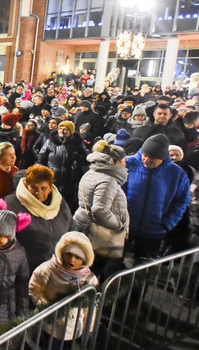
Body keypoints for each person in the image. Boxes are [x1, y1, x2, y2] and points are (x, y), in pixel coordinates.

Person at [124, 134, 190, 261]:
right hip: (124, 229)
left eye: (152, 158)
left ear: (163, 158)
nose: (147, 160)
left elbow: (182, 201)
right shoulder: (128, 163)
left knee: (143, 269)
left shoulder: (177, 174)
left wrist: (167, 223)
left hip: (153, 232)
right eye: (145, 155)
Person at [72, 141, 129, 281]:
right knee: (94, 267)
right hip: (98, 232)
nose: (125, 164)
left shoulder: (92, 172)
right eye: (123, 161)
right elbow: (99, 210)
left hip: (84, 224)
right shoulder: (108, 180)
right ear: (115, 162)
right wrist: (118, 225)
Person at [6, 165, 73, 271]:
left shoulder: (60, 202)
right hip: (27, 269)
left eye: (43, 188)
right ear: (27, 185)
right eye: (33, 187)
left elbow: (71, 227)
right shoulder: (11, 204)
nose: (38, 193)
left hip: (57, 267)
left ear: (50, 188)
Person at [37, 120, 89, 212]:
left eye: (65, 129)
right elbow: (41, 157)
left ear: (71, 132)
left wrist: (78, 158)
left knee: (66, 203)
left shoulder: (77, 143)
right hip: (52, 177)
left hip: (69, 179)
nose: (62, 131)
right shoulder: (50, 141)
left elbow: (85, 159)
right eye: (60, 128)